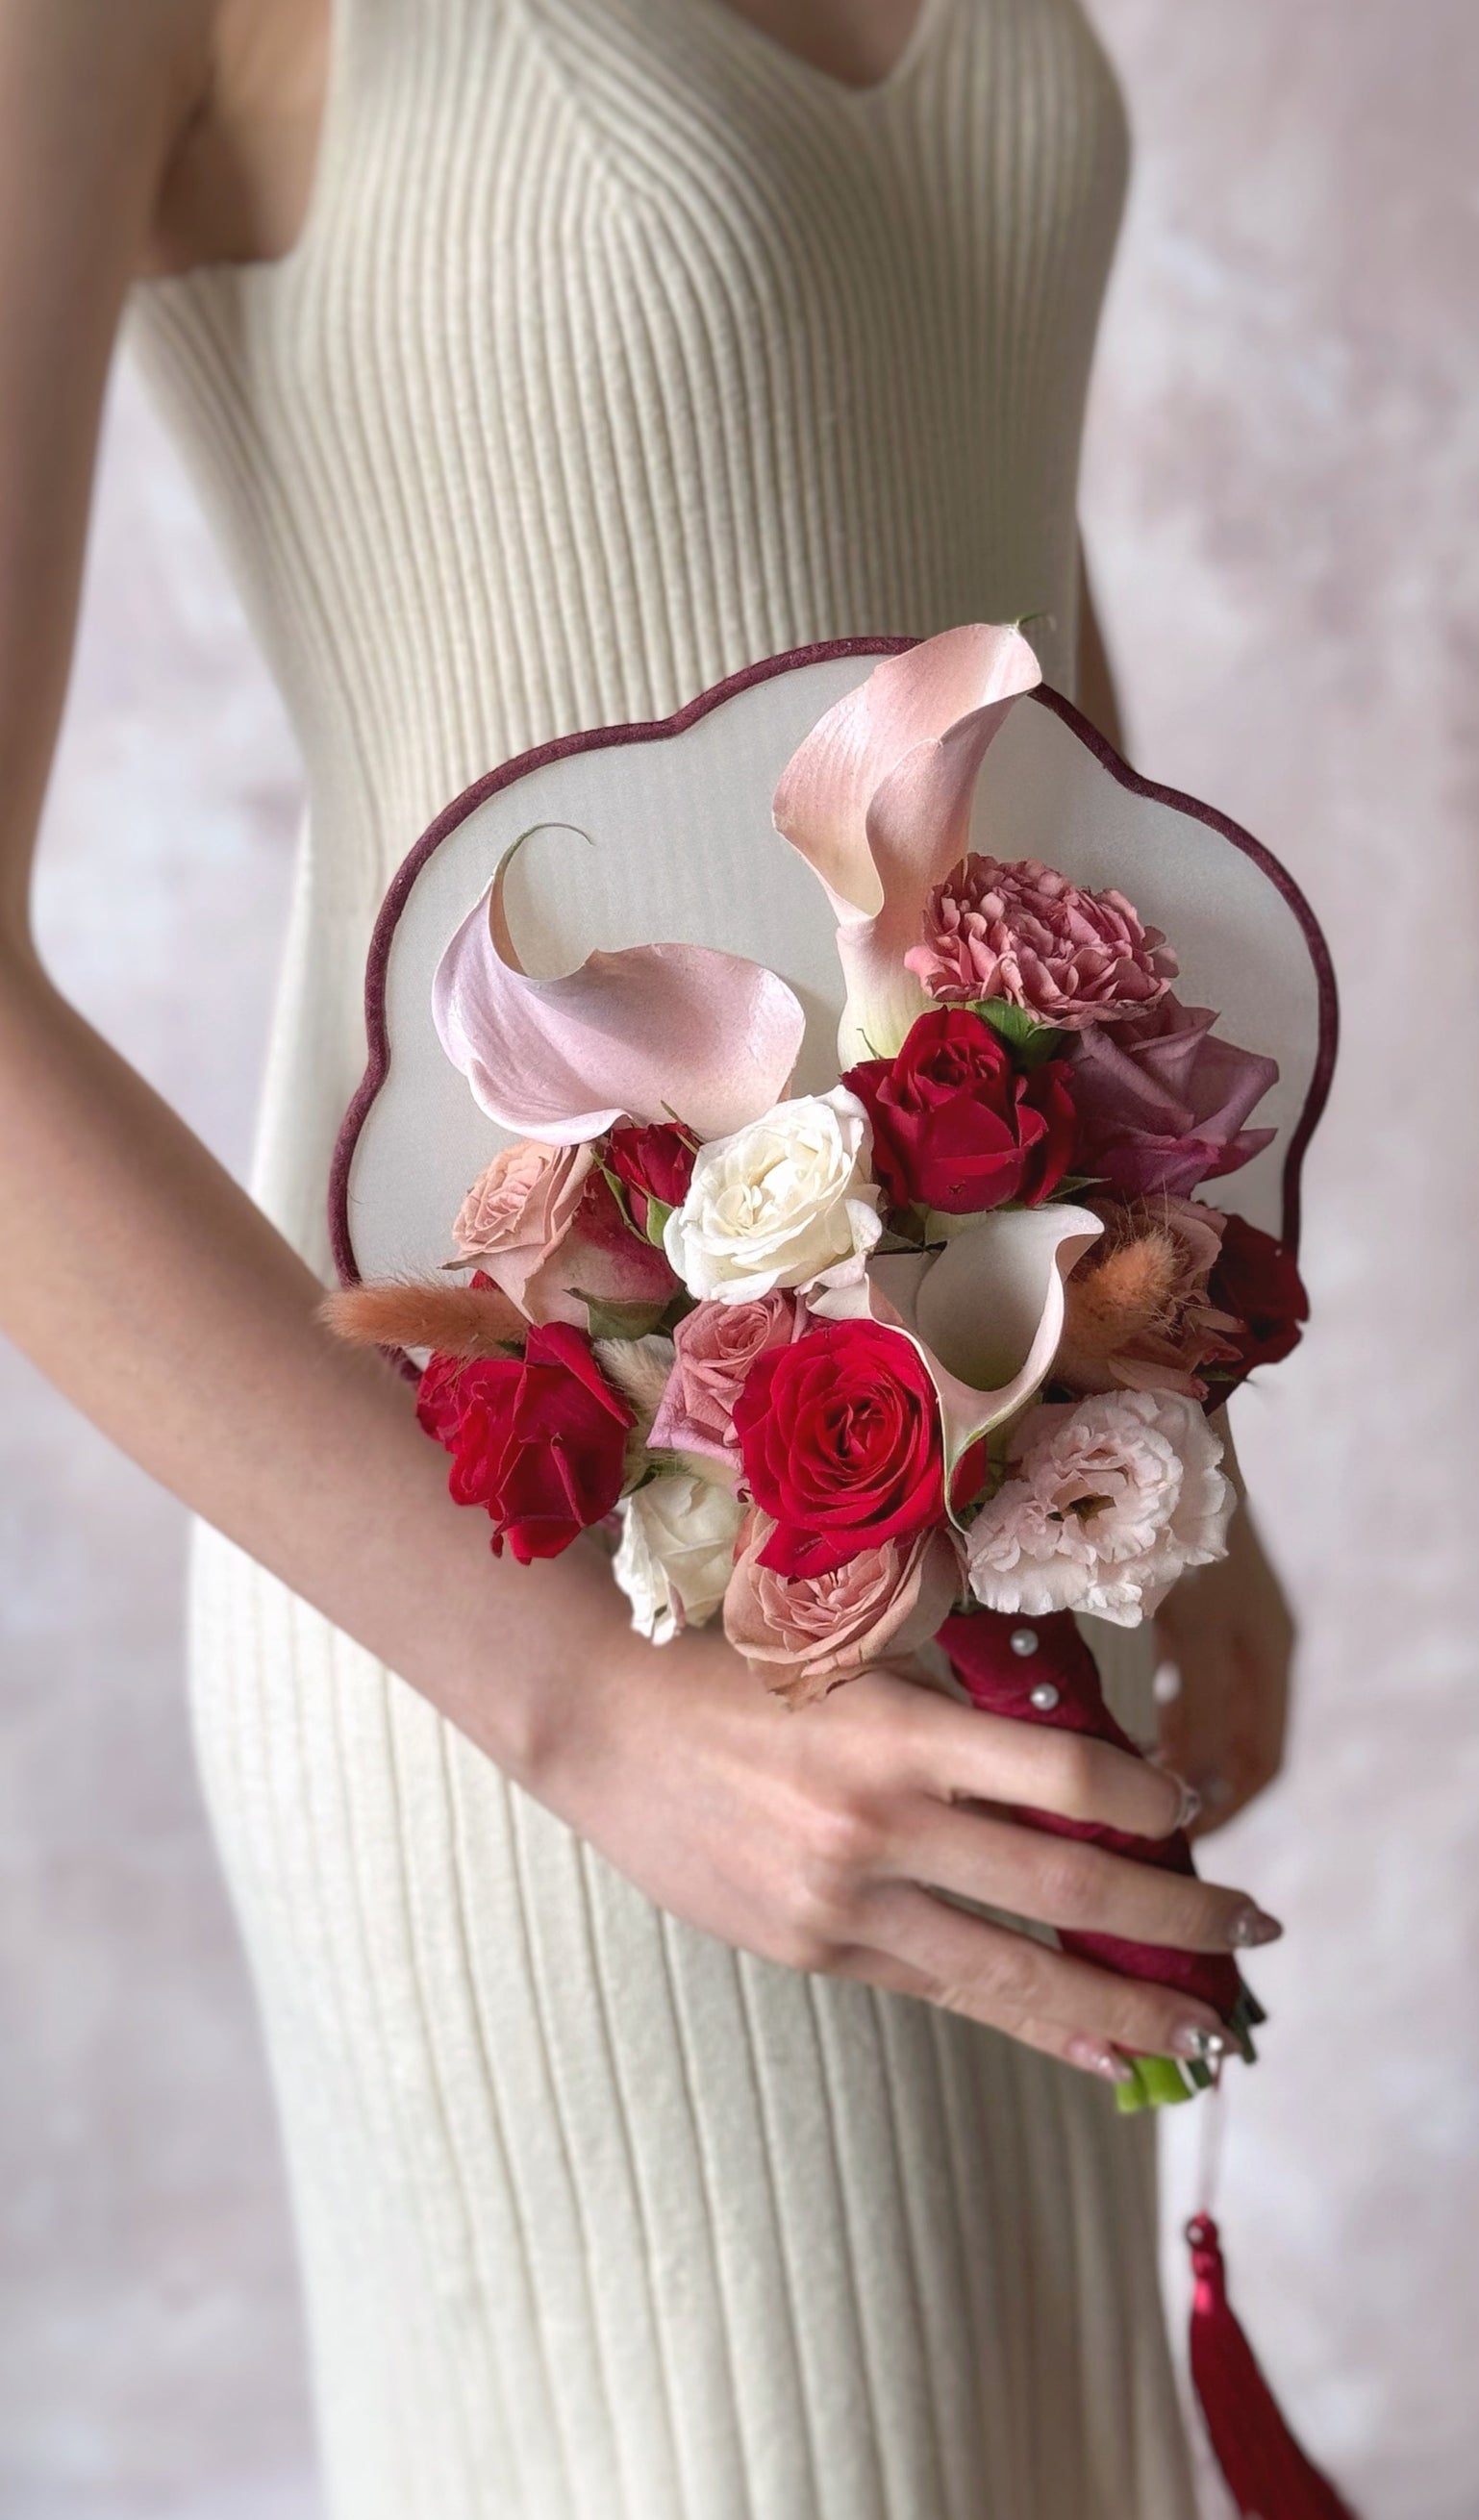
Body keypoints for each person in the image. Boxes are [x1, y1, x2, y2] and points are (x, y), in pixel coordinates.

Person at [0, 2, 1297, 2510]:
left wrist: (1175, 1400)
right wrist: (597, 1714)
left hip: (1008, 1517)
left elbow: (980, 626)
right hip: (518, 1589)